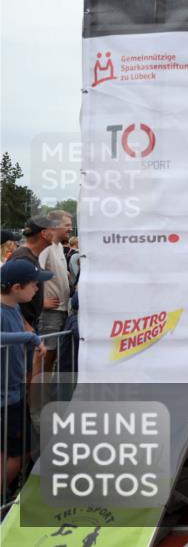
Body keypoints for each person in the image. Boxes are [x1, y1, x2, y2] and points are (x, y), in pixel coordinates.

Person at [1, 259, 52, 494]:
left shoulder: (14, 308)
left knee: (15, 449)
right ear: (17, 287)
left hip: (14, 392)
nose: (38, 289)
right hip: (6, 397)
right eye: (33, 284)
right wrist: (29, 339)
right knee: (17, 453)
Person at [8, 215, 60, 331]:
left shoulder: (29, 256)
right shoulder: (23, 259)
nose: (55, 233)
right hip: (20, 326)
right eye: (53, 229)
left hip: (26, 323)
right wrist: (26, 326)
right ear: (44, 233)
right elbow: (7, 297)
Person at [38, 210, 74, 370]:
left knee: (51, 359)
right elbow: (31, 273)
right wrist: (40, 301)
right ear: (54, 226)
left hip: (62, 311)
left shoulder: (58, 247)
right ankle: (36, 394)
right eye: (67, 225)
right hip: (50, 313)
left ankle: (42, 393)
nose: (71, 229)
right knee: (44, 357)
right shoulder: (45, 247)